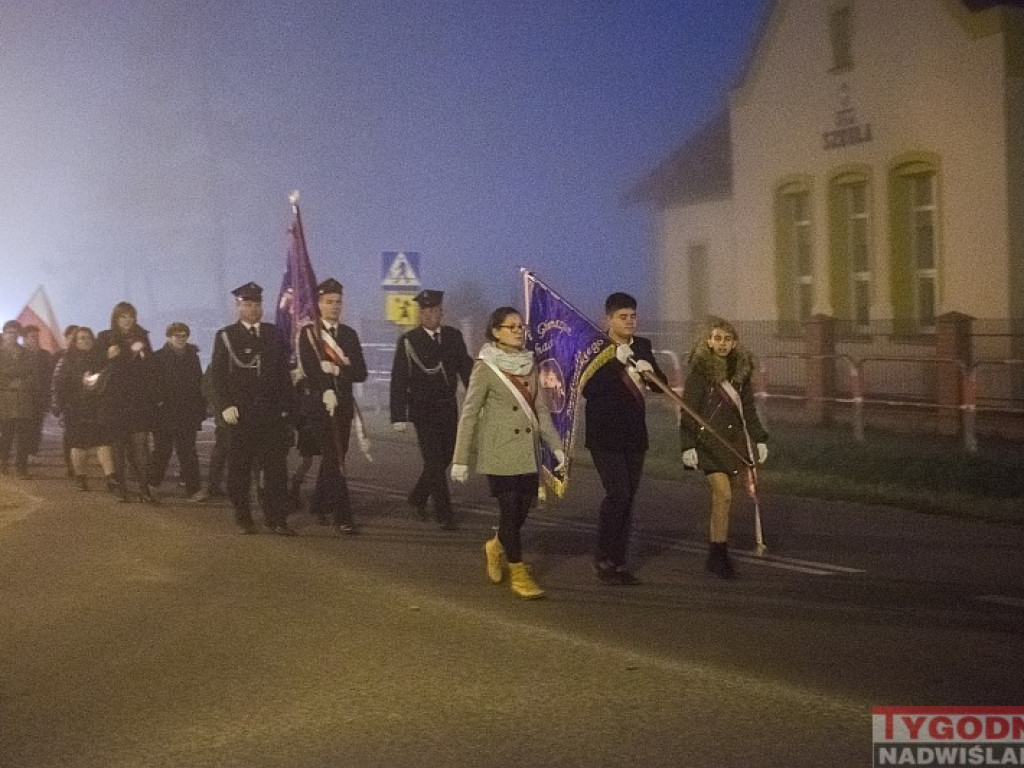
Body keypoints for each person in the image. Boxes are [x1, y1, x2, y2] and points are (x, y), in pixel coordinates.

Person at [451, 307, 565, 599]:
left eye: (520, 326)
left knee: (520, 514)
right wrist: (460, 459)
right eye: (511, 326)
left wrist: (555, 446)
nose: (518, 330)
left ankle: (495, 546)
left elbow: (540, 409)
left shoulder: (530, 364)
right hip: (499, 452)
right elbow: (470, 412)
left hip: (527, 453)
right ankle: (518, 572)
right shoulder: (486, 365)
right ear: (496, 331)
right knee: (510, 510)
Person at [581, 292, 667, 585]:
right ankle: (602, 556)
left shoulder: (642, 346)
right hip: (604, 435)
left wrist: (650, 370)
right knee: (617, 494)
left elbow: (661, 387)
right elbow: (588, 389)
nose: (630, 321)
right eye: (623, 317)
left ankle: (618, 561)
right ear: (609, 319)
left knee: (629, 498)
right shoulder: (595, 348)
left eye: (633, 316)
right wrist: (616, 364)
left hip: (634, 434)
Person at [679, 316, 768, 579]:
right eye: (717, 338)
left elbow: (748, 410)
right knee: (724, 495)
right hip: (708, 443)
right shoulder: (699, 374)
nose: (722, 344)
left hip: (732, 445)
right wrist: (688, 446)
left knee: (724, 502)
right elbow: (688, 412)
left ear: (734, 343)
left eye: (727, 339)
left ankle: (715, 554)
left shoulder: (740, 373)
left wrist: (760, 438)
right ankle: (720, 555)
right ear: (708, 341)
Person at [211, 282, 296, 535]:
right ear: (238, 307)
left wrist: (288, 410)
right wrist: (225, 405)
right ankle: (243, 514)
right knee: (240, 468)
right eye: (247, 304)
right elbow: (218, 375)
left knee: (276, 470)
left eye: (257, 304)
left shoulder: (274, 334)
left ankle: (277, 517)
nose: (253, 309)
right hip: (242, 414)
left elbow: (282, 374)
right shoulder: (226, 336)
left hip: (271, 413)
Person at [389, 289, 473, 529]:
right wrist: (398, 415)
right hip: (422, 410)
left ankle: (417, 496)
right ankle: (444, 514)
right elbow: (399, 379)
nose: (429, 315)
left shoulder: (452, 336)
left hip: (448, 408)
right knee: (434, 461)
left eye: (434, 311)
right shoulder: (408, 341)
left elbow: (465, 369)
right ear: (420, 313)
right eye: (424, 311)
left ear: (441, 312)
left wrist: (478, 395)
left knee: (446, 456)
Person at [297, 278, 367, 535]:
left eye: (338, 302)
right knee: (335, 458)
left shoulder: (349, 335)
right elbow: (311, 369)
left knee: (333, 458)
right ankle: (343, 515)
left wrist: (338, 369)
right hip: (320, 406)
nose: (335, 306)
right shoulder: (309, 335)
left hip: (344, 406)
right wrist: (325, 388)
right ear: (319, 304)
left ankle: (317, 504)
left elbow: (360, 372)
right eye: (329, 302)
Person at [93, 302, 158, 503]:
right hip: (115, 400)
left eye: (130, 316)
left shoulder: (142, 336)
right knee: (118, 446)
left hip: (137, 399)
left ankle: (144, 488)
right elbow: (94, 364)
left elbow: (151, 366)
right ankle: (121, 487)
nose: (127, 321)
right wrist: (107, 355)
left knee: (140, 446)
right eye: (123, 317)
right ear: (116, 318)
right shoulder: (105, 337)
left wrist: (144, 354)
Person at [50, 327, 117, 490]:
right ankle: (80, 476)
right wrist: (57, 405)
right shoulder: (66, 360)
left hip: (98, 406)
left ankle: (110, 477)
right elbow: (57, 383)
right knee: (79, 445)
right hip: (76, 407)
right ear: (75, 341)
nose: (85, 340)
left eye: (88, 337)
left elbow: (110, 377)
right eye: (81, 338)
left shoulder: (101, 358)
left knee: (103, 442)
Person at [149, 322, 207, 501]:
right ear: (168, 337)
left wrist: (200, 407)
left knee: (188, 451)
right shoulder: (158, 357)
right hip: (165, 411)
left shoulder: (192, 357)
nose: (181, 339)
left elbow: (199, 382)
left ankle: (193, 489)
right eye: (177, 336)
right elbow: (153, 384)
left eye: (184, 336)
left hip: (187, 411)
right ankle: (152, 484)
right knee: (162, 450)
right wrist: (158, 403)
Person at [0, 320, 38, 478]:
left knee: (23, 436)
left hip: (23, 399)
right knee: (6, 435)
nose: (12, 335)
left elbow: (33, 374)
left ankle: (21, 467)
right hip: (4, 399)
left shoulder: (27, 353)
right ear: (4, 334)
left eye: (15, 332)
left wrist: (21, 382)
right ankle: (3, 463)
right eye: (9, 332)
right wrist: (9, 382)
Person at [20, 324, 56, 463]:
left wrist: (49, 398)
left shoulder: (45, 355)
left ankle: (32, 452)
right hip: (23, 397)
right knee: (23, 427)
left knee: (36, 426)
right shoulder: (20, 354)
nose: (35, 339)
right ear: (24, 338)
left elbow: (50, 377)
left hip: (40, 397)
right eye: (32, 336)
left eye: (36, 336)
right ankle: (21, 456)